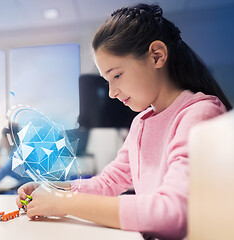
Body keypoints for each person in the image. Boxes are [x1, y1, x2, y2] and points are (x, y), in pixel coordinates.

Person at [15, 4, 232, 240]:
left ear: (157, 56)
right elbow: (109, 182)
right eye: (107, 80)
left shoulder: (199, 114)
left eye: (117, 75)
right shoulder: (140, 123)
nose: (111, 93)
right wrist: (55, 190)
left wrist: (64, 203)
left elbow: (172, 213)